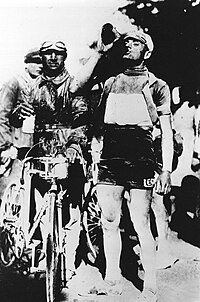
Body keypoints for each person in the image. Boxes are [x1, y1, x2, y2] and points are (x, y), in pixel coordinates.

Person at [7, 39, 112, 278]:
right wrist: (17, 115)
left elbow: (82, 120)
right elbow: (19, 116)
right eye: (48, 54)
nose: (53, 58)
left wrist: (74, 147)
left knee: (73, 208)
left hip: (70, 150)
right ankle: (46, 255)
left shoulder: (74, 85)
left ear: (64, 57)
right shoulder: (34, 87)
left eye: (58, 54)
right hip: (42, 151)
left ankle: (69, 261)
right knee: (42, 206)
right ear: (42, 58)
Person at [88, 29, 173, 301]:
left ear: (146, 51)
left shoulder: (157, 86)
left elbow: (167, 131)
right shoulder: (110, 83)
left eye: (135, 43)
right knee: (109, 220)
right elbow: (98, 128)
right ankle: (111, 277)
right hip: (110, 160)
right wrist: (95, 157)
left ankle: (150, 283)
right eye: (125, 43)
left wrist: (166, 169)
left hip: (141, 160)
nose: (128, 47)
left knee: (140, 222)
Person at [0, 47, 42, 201]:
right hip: (16, 147)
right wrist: (6, 145)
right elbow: (2, 115)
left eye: (42, 62)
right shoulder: (14, 83)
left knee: (33, 193)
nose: (40, 66)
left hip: (35, 146)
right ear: (26, 64)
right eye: (36, 62)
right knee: (12, 191)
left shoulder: (43, 84)